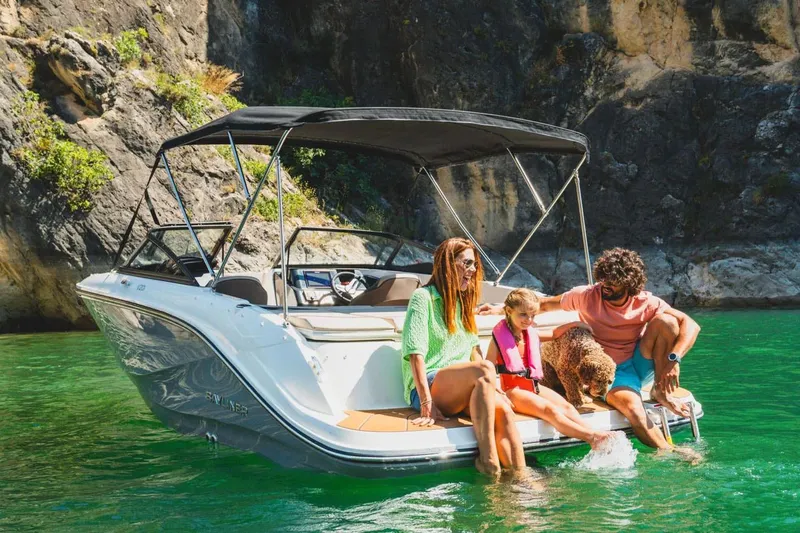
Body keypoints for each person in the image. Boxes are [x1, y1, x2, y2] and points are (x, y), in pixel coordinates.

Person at [479, 248, 701, 452]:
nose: (604, 286)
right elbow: (544, 305)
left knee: (667, 322)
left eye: (612, 283)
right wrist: (502, 310)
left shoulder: (646, 301)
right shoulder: (587, 296)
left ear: (629, 285)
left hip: (640, 360)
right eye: (603, 279)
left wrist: (674, 359)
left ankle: (661, 390)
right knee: (634, 410)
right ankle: (668, 451)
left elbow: (691, 325)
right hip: (611, 371)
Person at [401, 237, 524, 476]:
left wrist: (495, 389)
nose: (473, 270)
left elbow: (474, 351)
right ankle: (488, 462)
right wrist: (426, 403)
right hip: (428, 386)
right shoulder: (422, 298)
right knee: (485, 368)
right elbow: (415, 353)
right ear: (448, 264)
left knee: (504, 410)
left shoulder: (464, 303)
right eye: (467, 263)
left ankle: (520, 479)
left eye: (474, 264)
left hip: (469, 386)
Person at [486, 288, 618, 450]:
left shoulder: (529, 333)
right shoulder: (499, 338)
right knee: (550, 411)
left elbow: (555, 333)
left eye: (532, 316)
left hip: (533, 387)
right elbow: (488, 366)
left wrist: (576, 324)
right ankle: (591, 438)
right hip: (513, 391)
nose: (528, 320)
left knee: (567, 407)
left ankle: (593, 432)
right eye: (523, 315)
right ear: (508, 311)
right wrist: (494, 390)